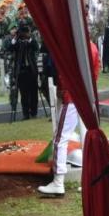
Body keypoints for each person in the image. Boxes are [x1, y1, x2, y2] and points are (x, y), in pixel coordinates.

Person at [37, 40, 100, 196]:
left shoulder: (73, 46)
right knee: (87, 137)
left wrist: (64, 91)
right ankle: (91, 180)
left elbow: (66, 72)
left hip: (73, 97)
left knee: (61, 138)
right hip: (87, 96)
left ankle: (58, 182)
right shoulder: (91, 45)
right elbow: (96, 69)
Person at [7, 25, 39, 120]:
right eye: (23, 33)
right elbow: (10, 48)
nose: (24, 35)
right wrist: (15, 37)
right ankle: (26, 114)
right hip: (21, 71)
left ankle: (33, 112)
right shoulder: (18, 43)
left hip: (31, 70)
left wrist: (29, 38)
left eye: (26, 33)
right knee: (24, 94)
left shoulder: (31, 41)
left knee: (34, 93)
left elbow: (36, 47)